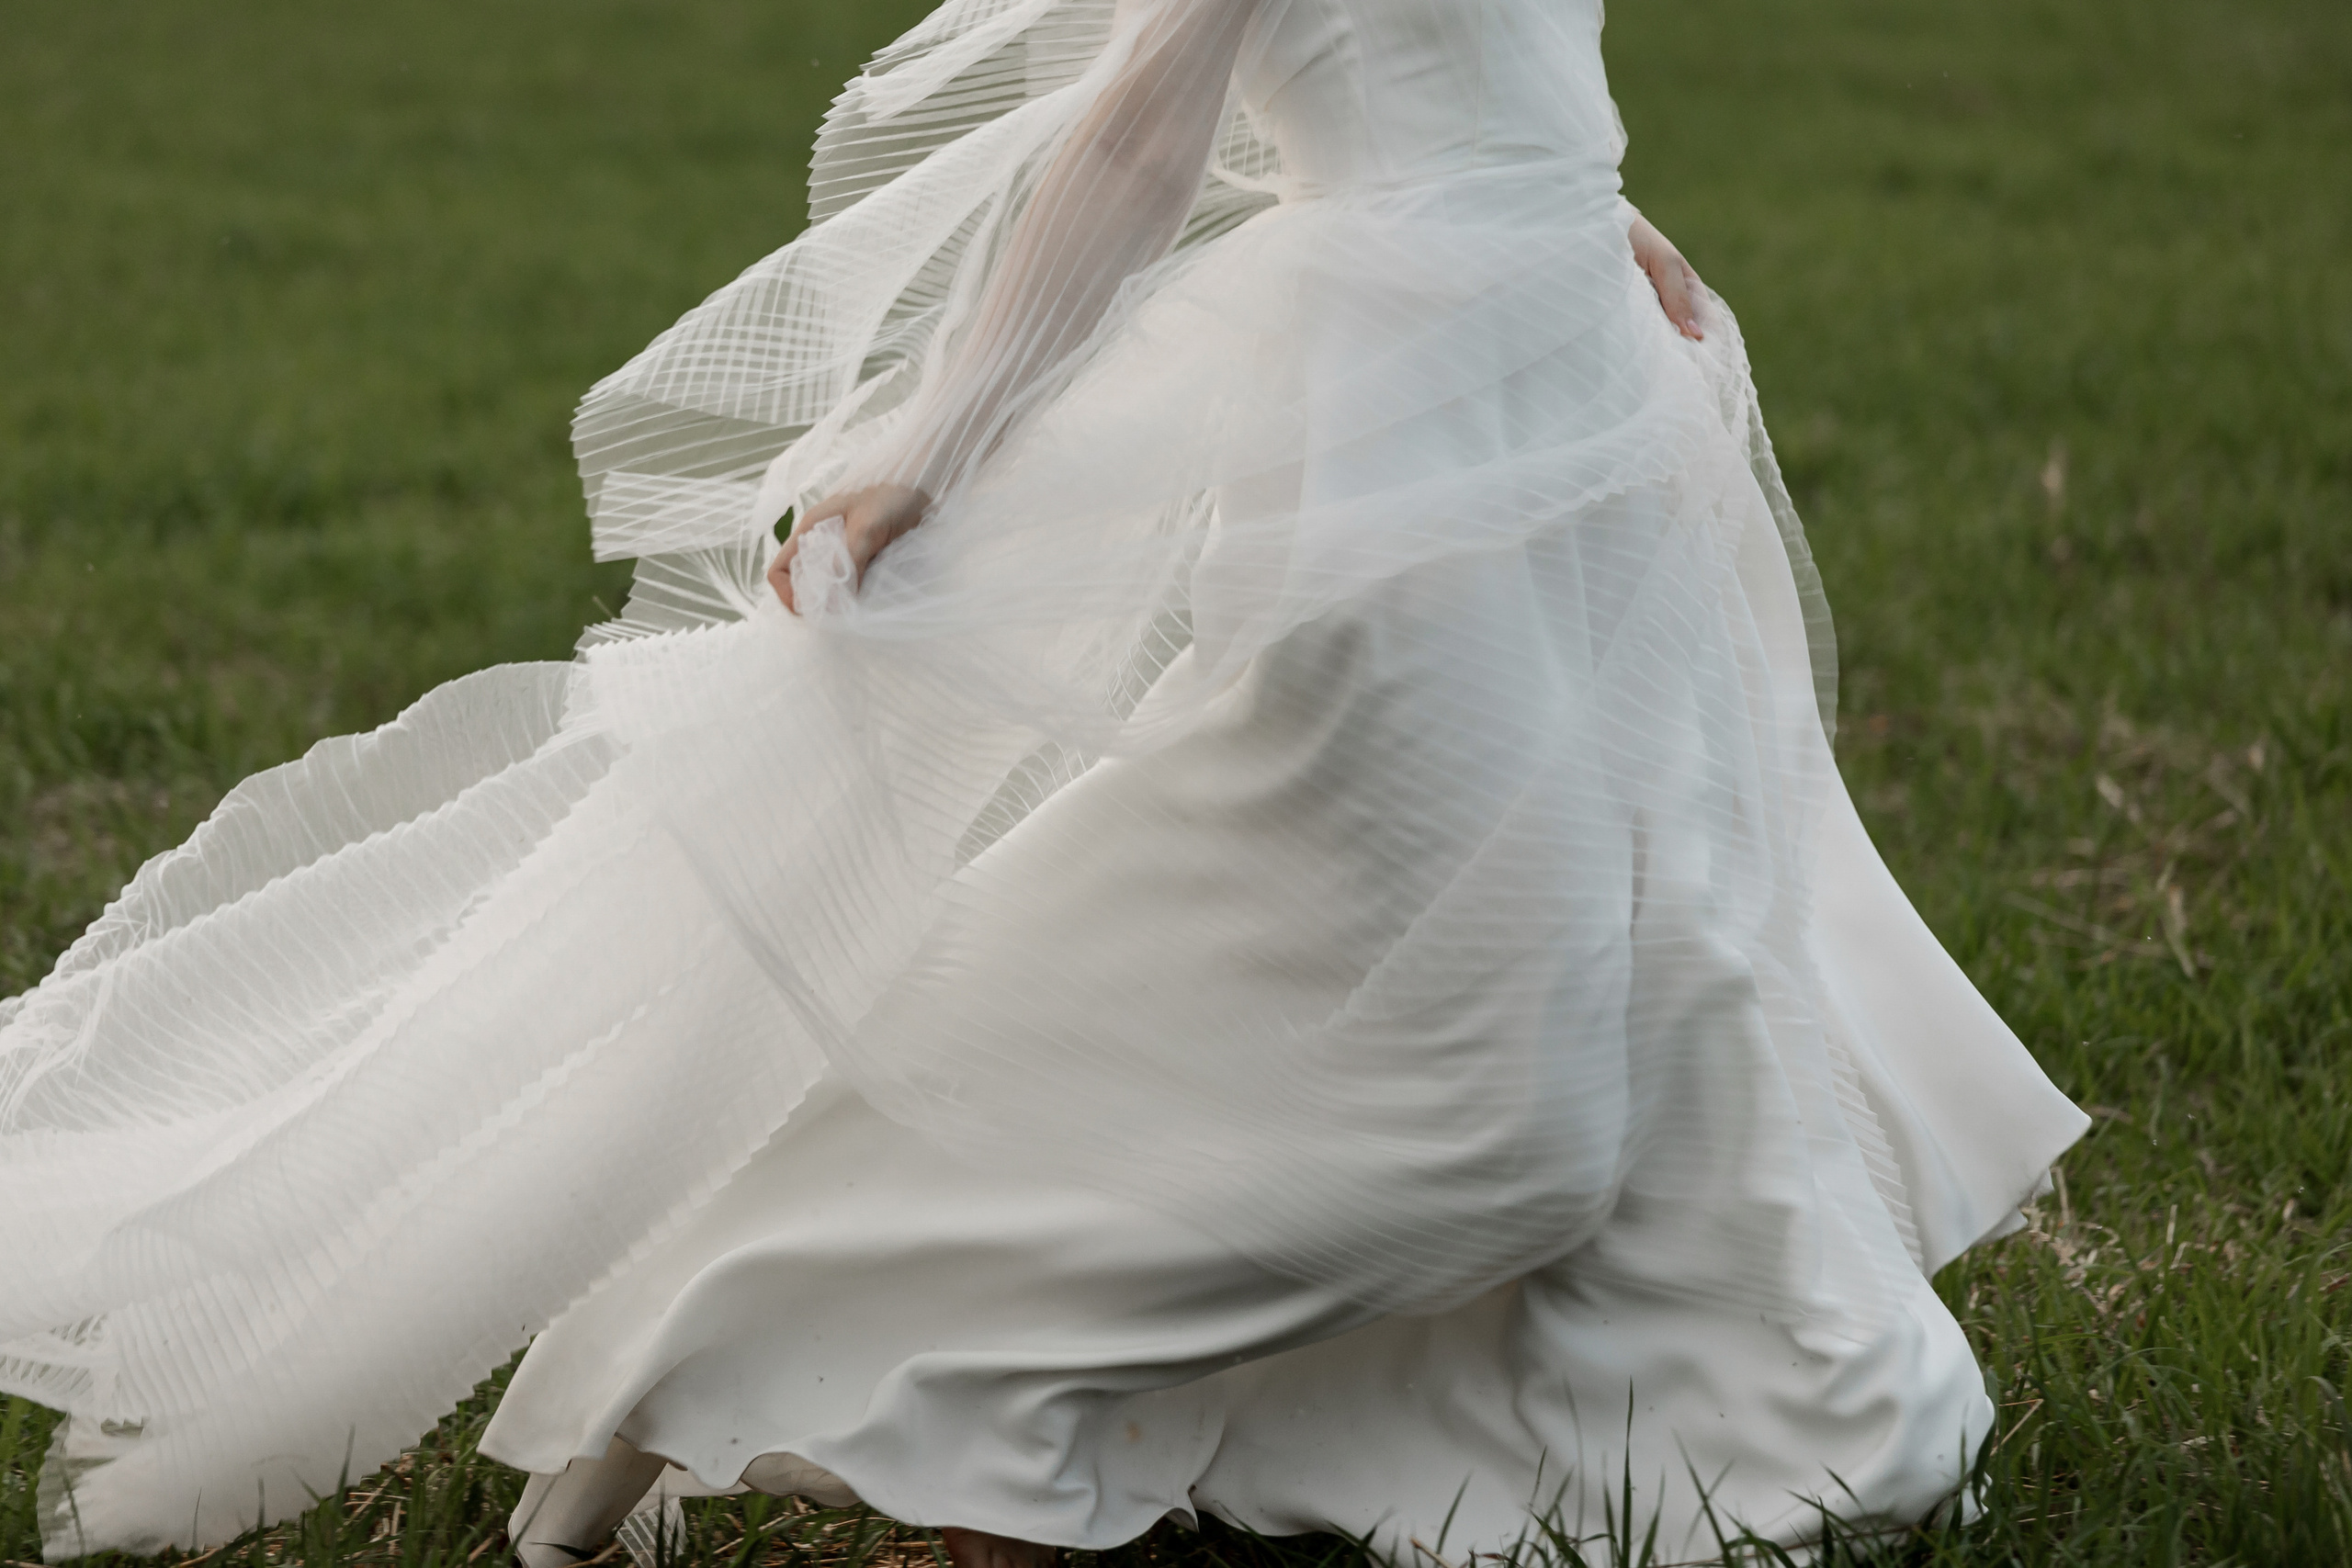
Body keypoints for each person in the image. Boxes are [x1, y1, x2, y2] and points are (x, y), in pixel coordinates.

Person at [0, 0, 2088, 1563]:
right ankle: (883, 1345)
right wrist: (932, 442)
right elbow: (1143, 127)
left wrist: (1600, 213)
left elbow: (1474, 59)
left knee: (1668, 951)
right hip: (1397, 441)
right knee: (1486, 1093)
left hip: (1580, 402)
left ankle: (1673, 1405)